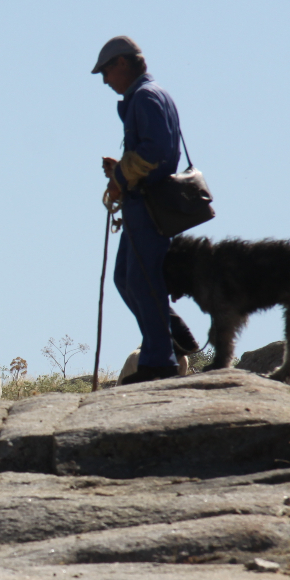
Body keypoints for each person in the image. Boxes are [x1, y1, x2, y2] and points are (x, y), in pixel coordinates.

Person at [92, 35, 198, 384]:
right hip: (144, 203)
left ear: (121, 63)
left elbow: (157, 152)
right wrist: (122, 170)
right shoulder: (150, 95)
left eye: (106, 72)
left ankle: (158, 360)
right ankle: (171, 333)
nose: (106, 80)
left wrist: (122, 174)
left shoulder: (145, 97)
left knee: (143, 280)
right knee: (127, 278)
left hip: (150, 204)